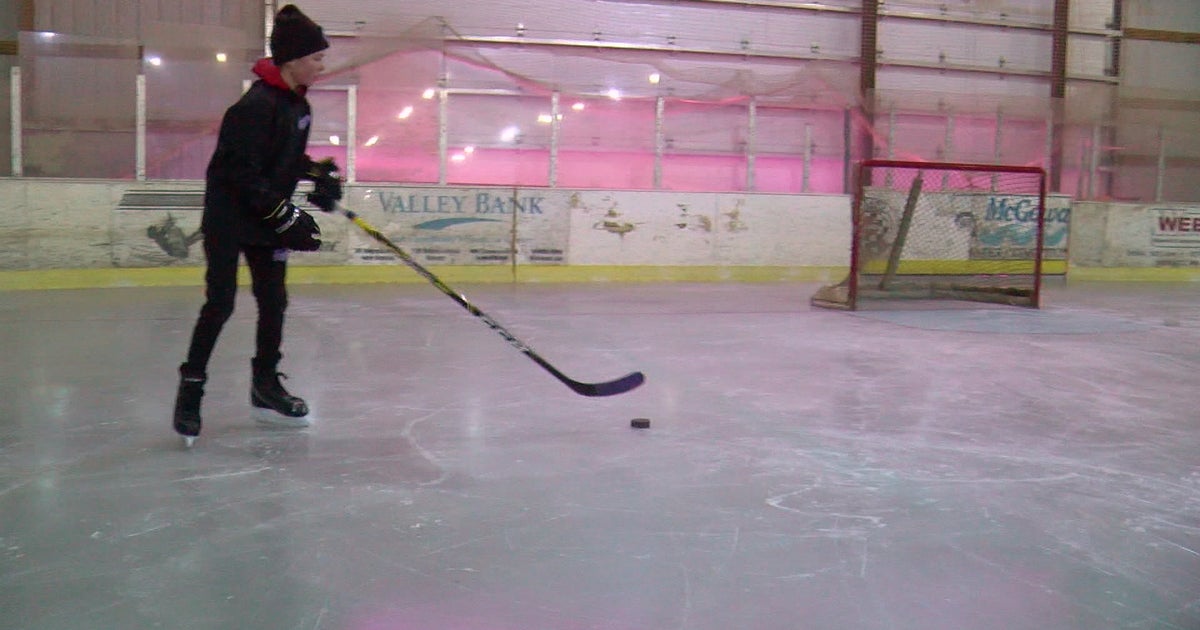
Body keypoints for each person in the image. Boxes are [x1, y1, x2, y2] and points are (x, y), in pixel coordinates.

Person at [173, 4, 343, 447]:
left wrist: (316, 173)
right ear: (293, 60)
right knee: (221, 303)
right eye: (316, 57)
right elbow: (240, 173)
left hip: (265, 216)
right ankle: (191, 390)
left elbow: (282, 157)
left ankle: (265, 384)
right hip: (230, 218)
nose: (322, 65)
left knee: (274, 301)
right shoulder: (252, 107)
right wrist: (285, 215)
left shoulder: (297, 105)